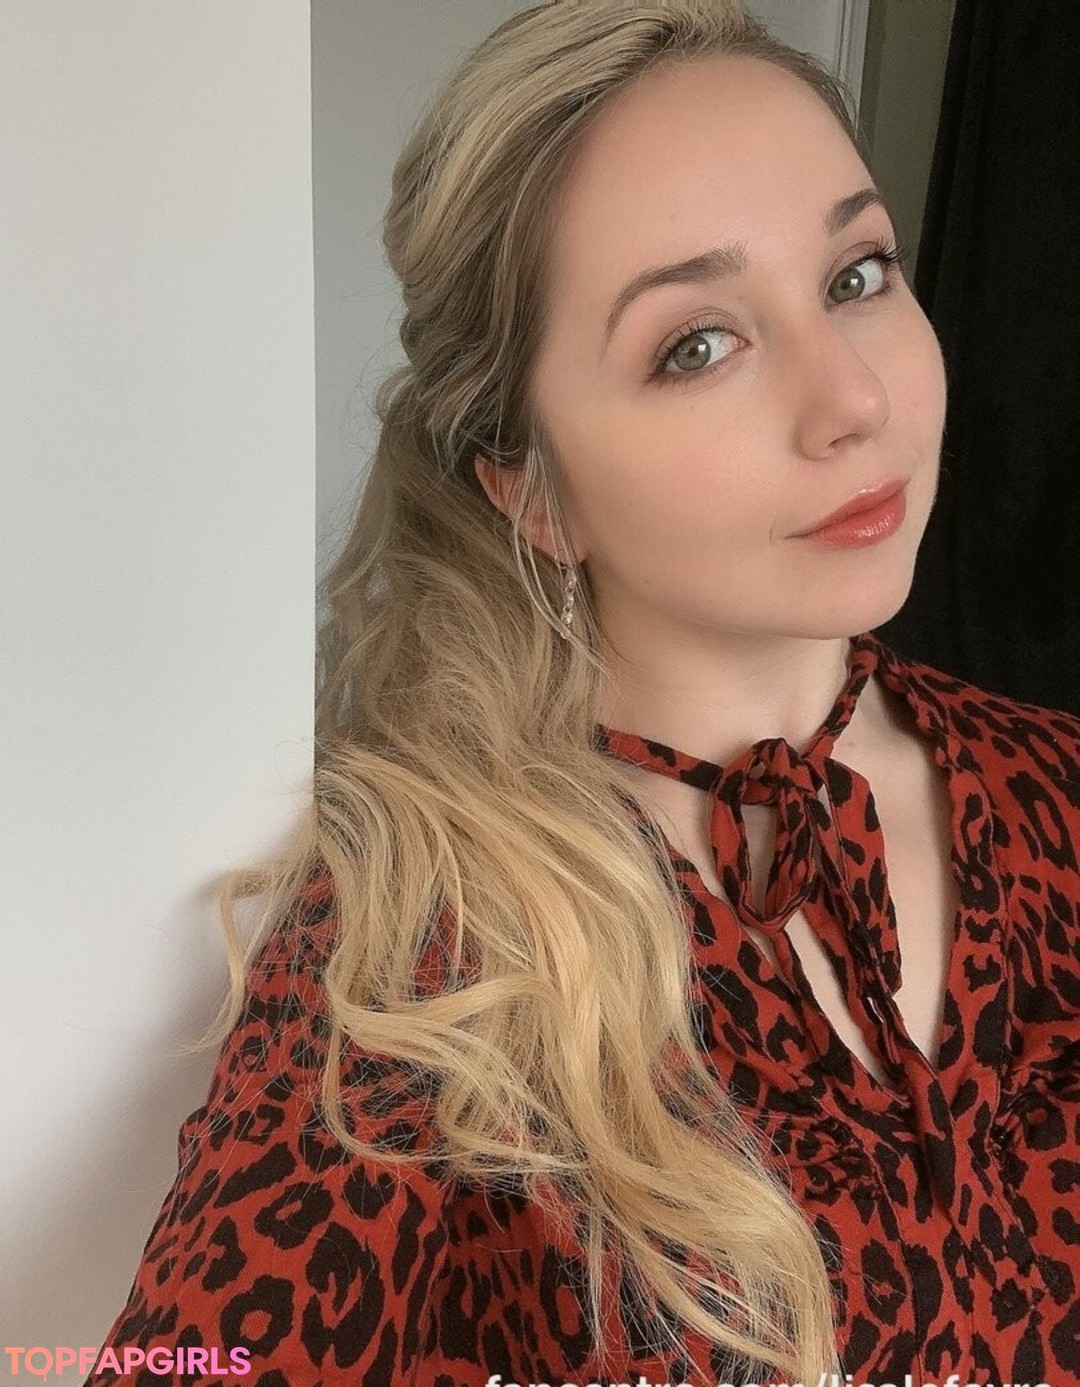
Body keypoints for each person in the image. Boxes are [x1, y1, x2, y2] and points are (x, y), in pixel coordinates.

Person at [85, 2, 1080, 1384]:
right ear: (531, 488)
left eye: (857, 273)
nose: (853, 400)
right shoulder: (430, 945)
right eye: (696, 346)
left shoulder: (1058, 788)